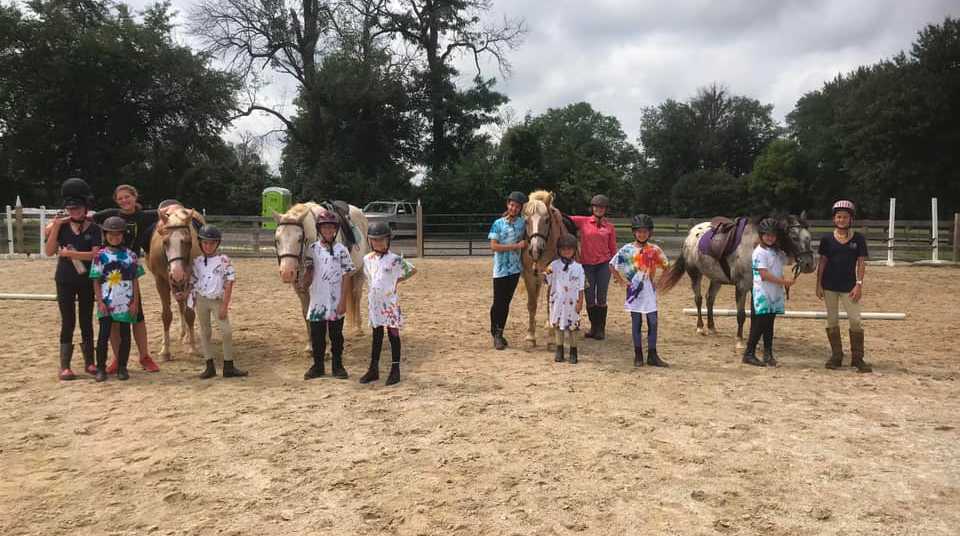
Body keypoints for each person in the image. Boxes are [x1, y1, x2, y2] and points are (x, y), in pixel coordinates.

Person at [91, 185, 160, 373]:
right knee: (113, 319)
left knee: (137, 317)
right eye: (120, 198)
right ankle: (117, 358)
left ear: (135, 197)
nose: (124, 201)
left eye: (127, 197)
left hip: (129, 270)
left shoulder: (144, 216)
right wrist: (57, 223)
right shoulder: (111, 214)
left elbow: (167, 210)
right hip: (109, 272)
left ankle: (144, 356)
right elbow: (86, 217)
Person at [46, 178, 102, 380]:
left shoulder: (93, 229)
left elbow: (95, 255)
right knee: (68, 320)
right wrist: (55, 227)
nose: (74, 211)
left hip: (86, 279)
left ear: (85, 207)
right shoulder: (61, 228)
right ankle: (65, 366)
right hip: (65, 279)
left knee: (86, 320)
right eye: (71, 209)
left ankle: (90, 362)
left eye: (77, 208)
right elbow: (50, 251)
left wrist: (71, 254)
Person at [296, 210, 355, 380]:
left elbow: (347, 276)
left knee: (336, 336)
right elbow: (309, 271)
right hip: (318, 301)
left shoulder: (342, 250)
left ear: (335, 230)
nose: (328, 231)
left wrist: (343, 301)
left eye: (331, 228)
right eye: (325, 228)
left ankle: (338, 365)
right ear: (319, 230)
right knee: (317, 336)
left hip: (336, 301)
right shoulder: (313, 249)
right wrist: (303, 284)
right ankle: (318, 366)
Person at [183, 224, 247, 379]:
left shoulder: (224, 260)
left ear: (217, 244)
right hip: (201, 300)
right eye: (205, 243)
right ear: (200, 243)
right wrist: (185, 294)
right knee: (205, 332)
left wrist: (224, 305)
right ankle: (209, 366)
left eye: (212, 243)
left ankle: (228, 365)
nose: (208, 246)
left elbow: (230, 283)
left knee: (226, 332)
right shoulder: (198, 261)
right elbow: (193, 280)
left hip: (217, 301)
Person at [817, 200, 871, 373]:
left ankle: (857, 357)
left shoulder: (858, 239)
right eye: (839, 217)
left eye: (845, 217)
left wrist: (859, 284)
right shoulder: (827, 240)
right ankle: (836, 355)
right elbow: (822, 263)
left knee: (855, 320)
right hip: (829, 286)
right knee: (832, 320)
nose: (841, 220)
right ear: (834, 219)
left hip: (849, 286)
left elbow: (861, 262)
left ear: (851, 219)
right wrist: (818, 284)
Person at [359, 222, 416, 386]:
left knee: (393, 335)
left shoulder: (395, 260)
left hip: (390, 304)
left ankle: (395, 369)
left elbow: (412, 270)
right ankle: (373, 368)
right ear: (370, 241)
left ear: (388, 240)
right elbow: (370, 277)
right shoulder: (367, 259)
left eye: (382, 239)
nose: (378, 243)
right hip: (375, 304)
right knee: (376, 335)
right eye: (375, 240)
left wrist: (396, 281)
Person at [609, 214, 670, 367]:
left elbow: (667, 266)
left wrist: (660, 282)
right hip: (634, 293)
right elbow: (612, 265)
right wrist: (621, 280)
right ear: (634, 232)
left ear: (650, 232)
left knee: (653, 322)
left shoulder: (654, 250)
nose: (642, 234)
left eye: (645, 232)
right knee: (636, 323)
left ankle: (652, 355)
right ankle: (638, 354)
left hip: (649, 292)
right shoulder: (627, 250)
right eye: (639, 231)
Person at [90, 216, 144, 381]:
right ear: (105, 235)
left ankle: (122, 367)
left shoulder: (131, 256)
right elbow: (96, 280)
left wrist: (135, 302)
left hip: (125, 303)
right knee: (103, 337)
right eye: (111, 234)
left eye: (118, 234)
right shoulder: (100, 256)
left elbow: (135, 279)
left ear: (123, 235)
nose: (114, 237)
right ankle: (101, 367)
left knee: (125, 336)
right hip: (107, 303)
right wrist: (100, 301)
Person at [742, 218, 797, 367]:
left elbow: (789, 260)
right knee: (758, 325)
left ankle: (768, 354)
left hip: (774, 293)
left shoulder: (776, 251)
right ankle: (749, 353)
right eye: (767, 235)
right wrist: (785, 283)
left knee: (769, 325)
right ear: (761, 235)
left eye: (773, 235)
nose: (770, 238)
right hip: (763, 293)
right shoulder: (759, 252)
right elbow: (764, 274)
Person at [569, 194, 617, 340]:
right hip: (587, 266)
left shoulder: (609, 227)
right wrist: (550, 208)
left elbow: (613, 248)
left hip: (604, 265)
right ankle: (593, 327)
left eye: (602, 207)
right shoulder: (583, 222)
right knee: (589, 298)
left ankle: (601, 328)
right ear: (592, 208)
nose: (599, 209)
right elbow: (564, 218)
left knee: (601, 297)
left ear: (605, 209)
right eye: (597, 206)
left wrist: (615, 268)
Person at [488, 191, 528, 350]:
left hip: (515, 270)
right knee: (498, 303)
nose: (514, 208)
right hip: (500, 270)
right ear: (507, 205)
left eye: (517, 206)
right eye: (512, 205)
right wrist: (516, 246)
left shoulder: (523, 224)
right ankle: (495, 330)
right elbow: (494, 246)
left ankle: (499, 333)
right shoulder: (498, 224)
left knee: (506, 303)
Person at [544, 233, 585, 364]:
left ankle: (573, 350)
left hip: (572, 303)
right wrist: (543, 272)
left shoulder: (579, 268)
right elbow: (546, 280)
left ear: (574, 250)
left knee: (573, 327)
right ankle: (559, 349)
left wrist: (580, 303)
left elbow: (581, 288)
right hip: (557, 302)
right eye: (563, 249)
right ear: (559, 251)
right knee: (558, 326)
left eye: (569, 249)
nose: (566, 251)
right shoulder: (554, 265)